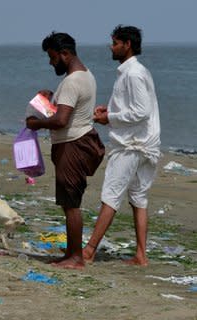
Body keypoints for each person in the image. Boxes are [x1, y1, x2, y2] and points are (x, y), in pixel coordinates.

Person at [82, 25, 160, 267]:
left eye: (115, 43)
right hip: (145, 143)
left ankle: (89, 250)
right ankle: (141, 255)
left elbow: (141, 111)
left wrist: (110, 118)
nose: (111, 47)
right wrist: (110, 111)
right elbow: (135, 108)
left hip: (132, 145)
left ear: (127, 44)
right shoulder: (134, 72)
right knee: (138, 197)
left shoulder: (134, 73)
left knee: (111, 195)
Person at [26, 32, 105, 269]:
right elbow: (67, 113)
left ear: (65, 54)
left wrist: (35, 124)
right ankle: (71, 252)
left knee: (71, 203)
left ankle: (76, 258)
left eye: (52, 57)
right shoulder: (85, 75)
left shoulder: (72, 81)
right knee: (67, 201)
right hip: (77, 141)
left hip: (73, 144)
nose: (51, 63)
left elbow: (61, 121)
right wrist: (49, 100)